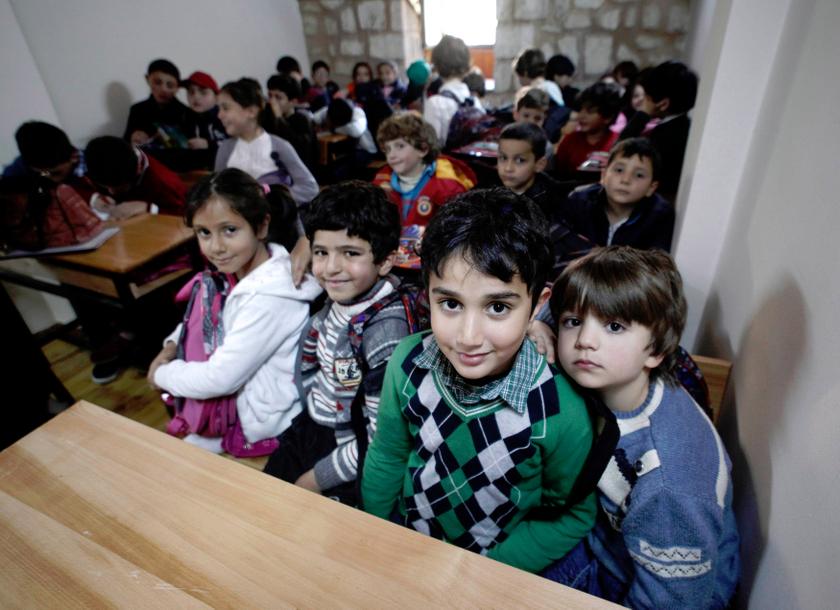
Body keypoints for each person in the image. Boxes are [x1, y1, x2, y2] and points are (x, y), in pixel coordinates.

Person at [361, 188, 596, 574]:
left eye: (498, 307)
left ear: (537, 304)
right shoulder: (406, 362)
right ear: (428, 296)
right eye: (450, 304)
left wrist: (484, 574)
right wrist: (378, 535)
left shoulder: (560, 410)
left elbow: (569, 516)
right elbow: (388, 454)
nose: (469, 336)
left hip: (487, 575)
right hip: (402, 551)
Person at [547, 246, 739, 608]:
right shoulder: (623, 380)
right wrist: (541, 326)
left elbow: (673, 601)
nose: (585, 340)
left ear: (656, 351)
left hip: (634, 579)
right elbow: (560, 303)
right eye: (573, 322)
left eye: (614, 326)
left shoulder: (669, 482)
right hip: (604, 536)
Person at [148, 168, 322, 453]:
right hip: (235, 407)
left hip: (265, 423)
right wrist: (171, 346)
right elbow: (202, 316)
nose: (216, 247)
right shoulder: (232, 273)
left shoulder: (269, 296)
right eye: (204, 233)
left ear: (262, 226)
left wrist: (162, 375)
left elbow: (221, 378)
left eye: (230, 230)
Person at [263, 181, 412, 505]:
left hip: (347, 448)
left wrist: (317, 479)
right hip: (313, 425)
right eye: (321, 252)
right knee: (263, 500)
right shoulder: (343, 300)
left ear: (386, 261)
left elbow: (381, 440)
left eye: (350, 253)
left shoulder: (385, 336)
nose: (331, 268)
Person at [372, 112, 475, 267]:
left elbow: (459, 233)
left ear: (423, 149)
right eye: (387, 149)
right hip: (391, 262)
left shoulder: (448, 186)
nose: (391, 155)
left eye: (400, 146)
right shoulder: (380, 181)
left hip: (434, 263)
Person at [213, 78, 319, 204]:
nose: (219, 115)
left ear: (251, 111)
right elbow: (216, 188)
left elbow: (309, 187)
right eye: (219, 109)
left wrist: (275, 197)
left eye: (226, 108)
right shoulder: (225, 148)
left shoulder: (279, 146)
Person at [561, 138, 675, 252]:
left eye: (639, 175)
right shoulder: (579, 201)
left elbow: (655, 263)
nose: (625, 180)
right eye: (619, 170)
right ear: (604, 176)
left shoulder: (659, 216)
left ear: (651, 187)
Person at [618, 61, 699, 202]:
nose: (642, 102)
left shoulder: (667, 134)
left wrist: (642, 114)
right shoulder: (683, 125)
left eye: (646, 98)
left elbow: (621, 150)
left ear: (663, 104)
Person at [84, 135, 186, 216]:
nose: (111, 192)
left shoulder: (162, 182)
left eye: (118, 187)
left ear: (136, 172)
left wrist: (148, 208)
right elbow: (77, 185)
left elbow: (186, 214)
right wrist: (94, 198)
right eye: (105, 186)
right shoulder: (99, 163)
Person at [497, 122, 568, 221]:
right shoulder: (487, 190)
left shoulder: (551, 204)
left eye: (520, 160)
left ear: (539, 164)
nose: (508, 168)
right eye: (503, 158)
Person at [554, 82, 622, 179]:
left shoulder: (618, 143)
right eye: (580, 110)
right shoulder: (569, 141)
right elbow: (559, 175)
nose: (581, 116)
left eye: (590, 111)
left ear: (608, 117)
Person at [423, 35, 482, 147]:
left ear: (437, 65)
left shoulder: (435, 103)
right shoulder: (474, 100)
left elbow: (430, 146)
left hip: (449, 163)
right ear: (466, 64)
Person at [123, 59, 191, 148]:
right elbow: (125, 145)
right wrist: (133, 139)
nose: (163, 89)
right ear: (147, 79)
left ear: (177, 87)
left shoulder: (187, 113)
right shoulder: (137, 110)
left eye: (170, 85)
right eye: (157, 82)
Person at [265, 73, 318, 170]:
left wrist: (279, 118)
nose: (272, 101)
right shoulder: (268, 118)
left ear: (293, 102)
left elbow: (298, 151)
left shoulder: (301, 120)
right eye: (270, 95)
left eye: (278, 97)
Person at [181, 71, 227, 161]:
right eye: (191, 92)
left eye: (203, 92)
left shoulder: (225, 117)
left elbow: (235, 144)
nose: (196, 97)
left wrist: (208, 144)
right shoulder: (185, 117)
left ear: (217, 98)